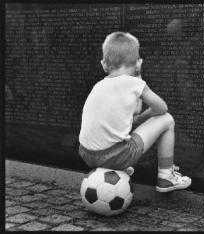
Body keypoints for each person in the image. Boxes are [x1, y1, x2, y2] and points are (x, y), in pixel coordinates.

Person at [78, 32, 191, 193]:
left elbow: (134, 112)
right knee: (167, 119)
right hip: (115, 155)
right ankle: (166, 176)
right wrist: (139, 79)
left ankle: (120, 168)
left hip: (86, 154)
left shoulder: (99, 86)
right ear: (137, 63)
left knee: (121, 131)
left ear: (104, 64)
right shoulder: (134, 84)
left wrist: (138, 118)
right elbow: (162, 108)